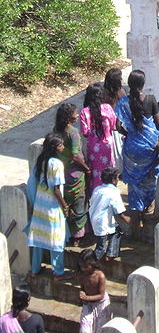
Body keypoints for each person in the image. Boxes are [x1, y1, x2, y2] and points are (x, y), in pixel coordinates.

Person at [114, 70, 159, 224]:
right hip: (149, 147)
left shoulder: (122, 103)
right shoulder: (150, 99)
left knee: (135, 184)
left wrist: (129, 134)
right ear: (143, 84)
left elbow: (118, 126)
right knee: (150, 177)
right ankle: (149, 205)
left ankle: (137, 215)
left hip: (132, 148)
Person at [27, 133, 68, 280]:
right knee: (56, 238)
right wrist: (65, 206)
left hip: (40, 203)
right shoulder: (56, 164)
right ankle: (58, 272)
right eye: (61, 145)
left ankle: (35, 269)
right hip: (52, 206)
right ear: (55, 148)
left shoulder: (42, 160)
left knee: (39, 237)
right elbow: (56, 189)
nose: (63, 147)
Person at [54, 103, 90, 245]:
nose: (77, 115)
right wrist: (87, 168)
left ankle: (68, 233)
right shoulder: (73, 132)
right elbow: (76, 155)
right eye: (75, 113)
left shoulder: (57, 130)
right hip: (76, 173)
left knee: (66, 203)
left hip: (63, 172)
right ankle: (78, 236)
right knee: (79, 203)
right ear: (69, 117)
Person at [80, 83, 117, 194]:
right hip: (107, 146)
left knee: (95, 173)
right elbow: (113, 126)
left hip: (93, 148)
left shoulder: (84, 112)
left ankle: (96, 196)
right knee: (109, 171)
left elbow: (85, 132)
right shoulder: (108, 108)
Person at [89, 167, 131, 261]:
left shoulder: (97, 189)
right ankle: (91, 265)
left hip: (94, 218)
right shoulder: (113, 192)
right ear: (113, 180)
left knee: (117, 231)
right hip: (102, 222)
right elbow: (118, 210)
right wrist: (126, 219)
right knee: (101, 247)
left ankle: (110, 254)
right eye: (117, 178)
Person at [78, 249, 112, 333]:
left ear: (92, 264)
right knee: (84, 329)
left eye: (85, 266)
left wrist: (87, 297)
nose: (83, 269)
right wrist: (82, 293)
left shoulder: (100, 276)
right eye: (81, 266)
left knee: (100, 329)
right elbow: (82, 287)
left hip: (101, 304)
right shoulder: (82, 274)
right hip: (88, 304)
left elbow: (101, 295)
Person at [102, 69, 127, 172]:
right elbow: (125, 106)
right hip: (117, 124)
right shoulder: (120, 91)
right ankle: (119, 169)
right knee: (119, 148)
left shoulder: (103, 91)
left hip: (106, 124)